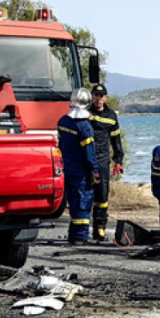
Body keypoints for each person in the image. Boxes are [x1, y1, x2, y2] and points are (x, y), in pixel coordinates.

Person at [57, 88, 100, 245]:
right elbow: (89, 153)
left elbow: (60, 146)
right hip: (81, 171)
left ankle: (72, 235)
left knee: (73, 202)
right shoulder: (84, 126)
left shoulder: (62, 121)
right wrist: (95, 171)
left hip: (67, 169)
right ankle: (80, 237)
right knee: (83, 203)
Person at [88, 83, 125, 242]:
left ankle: (100, 227)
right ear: (92, 97)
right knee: (84, 193)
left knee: (102, 194)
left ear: (106, 98)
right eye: (96, 95)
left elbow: (116, 140)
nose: (98, 98)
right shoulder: (85, 112)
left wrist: (119, 161)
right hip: (86, 157)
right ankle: (81, 229)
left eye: (101, 96)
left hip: (102, 159)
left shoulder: (111, 116)